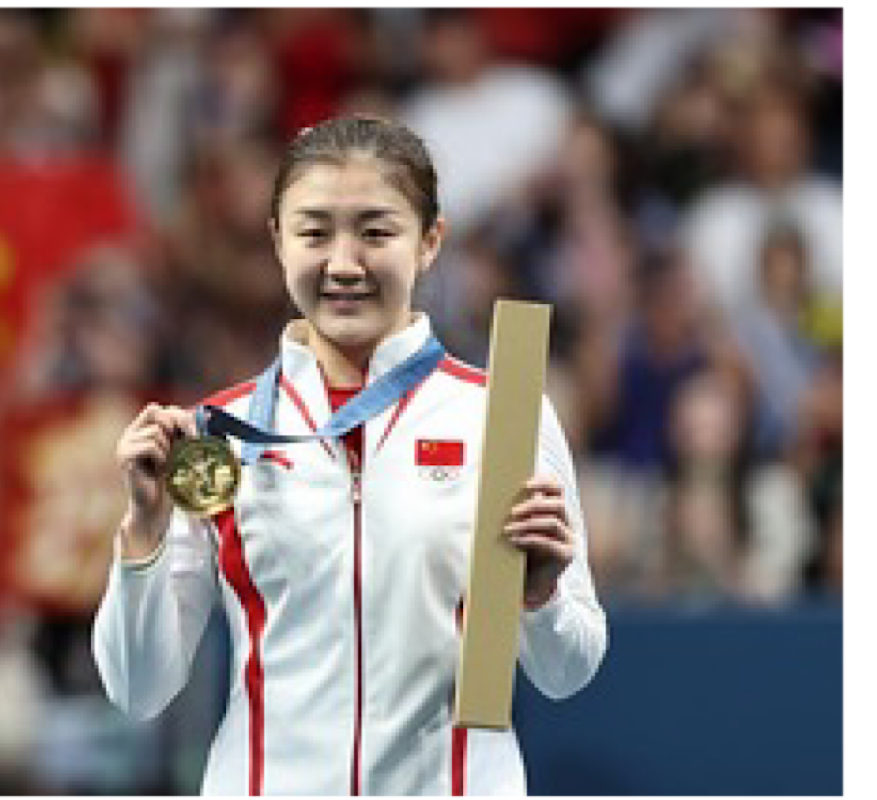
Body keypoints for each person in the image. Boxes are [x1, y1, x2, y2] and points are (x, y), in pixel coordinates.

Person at [93, 115, 607, 797]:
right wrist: (144, 535)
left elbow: (567, 673)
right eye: (313, 232)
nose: (343, 263)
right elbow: (138, 689)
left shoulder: (503, 415)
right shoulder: (221, 436)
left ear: (430, 242)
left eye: (375, 231)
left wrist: (539, 600)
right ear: (277, 241)